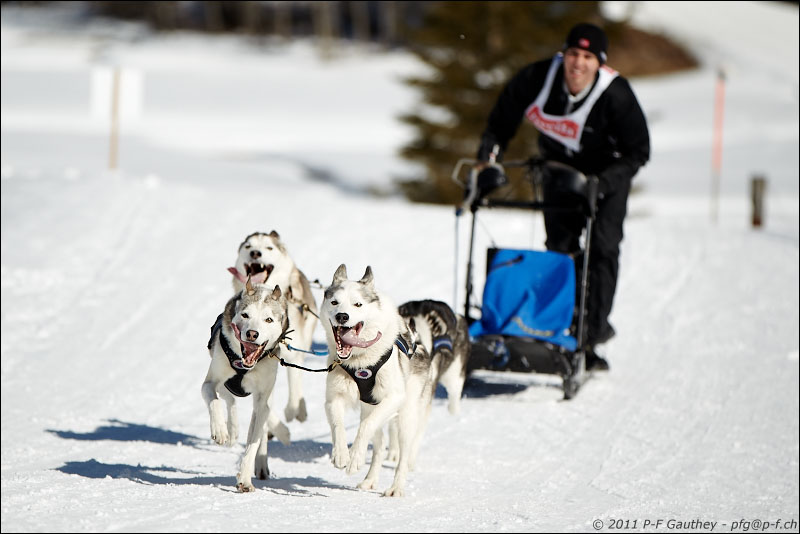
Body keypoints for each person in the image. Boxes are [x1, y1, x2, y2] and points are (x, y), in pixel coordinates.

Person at [475, 22, 650, 371]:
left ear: (599, 63)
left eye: (588, 57)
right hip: (560, 168)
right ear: (563, 54)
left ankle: (591, 335)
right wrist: (488, 161)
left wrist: (602, 183)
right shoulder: (538, 78)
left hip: (607, 174)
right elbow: (501, 120)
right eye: (573, 54)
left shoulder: (616, 94)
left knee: (603, 248)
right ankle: (556, 326)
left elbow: (639, 151)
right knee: (561, 247)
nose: (578, 63)